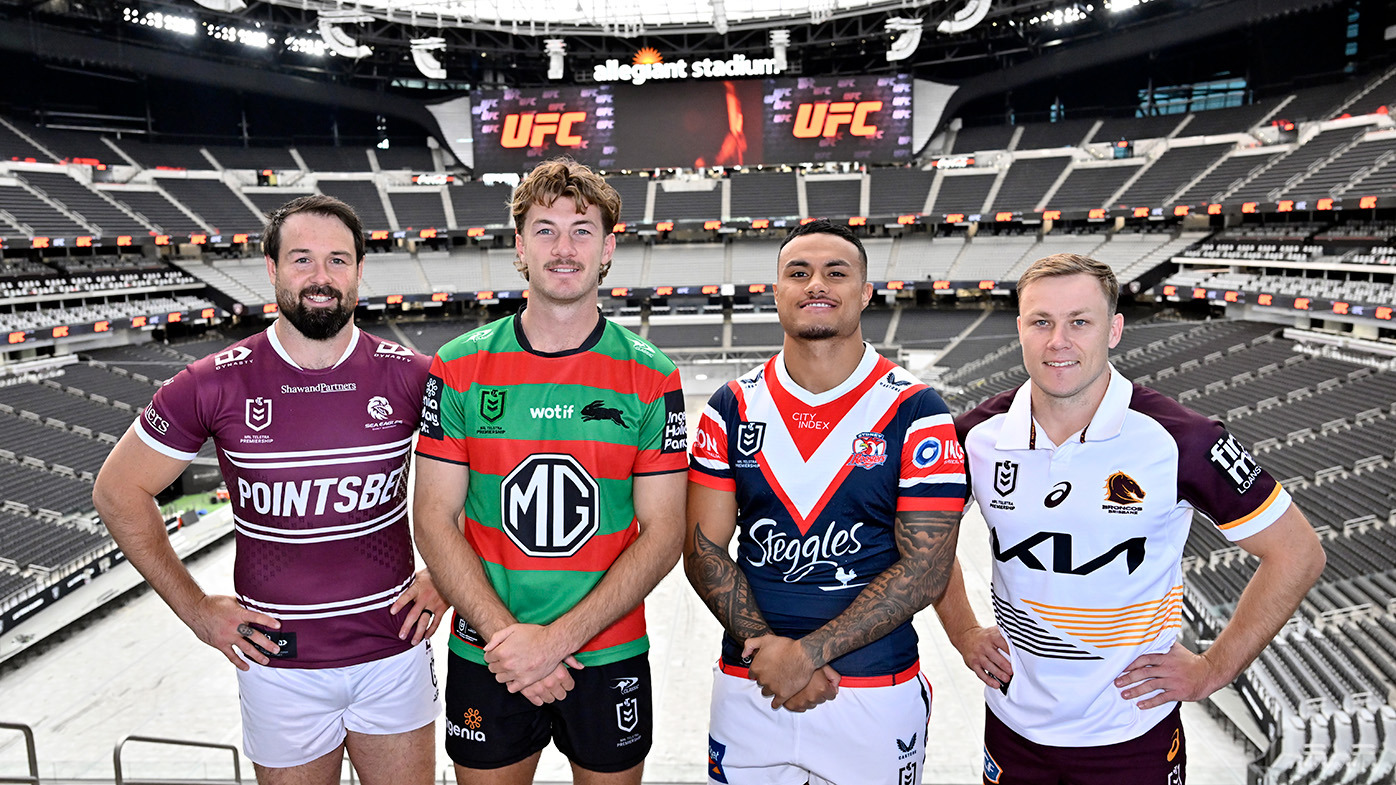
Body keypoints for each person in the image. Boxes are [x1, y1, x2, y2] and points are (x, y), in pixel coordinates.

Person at [92, 194, 445, 785]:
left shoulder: (414, 375)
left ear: (360, 271)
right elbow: (118, 490)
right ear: (272, 268)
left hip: (394, 653)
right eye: (302, 259)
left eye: (337, 260)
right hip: (278, 665)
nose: (320, 277)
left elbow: (491, 475)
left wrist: (445, 578)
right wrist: (197, 611)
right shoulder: (212, 382)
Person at [939, 253, 1327, 785]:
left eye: (1080, 322)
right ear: (1020, 329)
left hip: (1132, 732)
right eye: (1041, 322)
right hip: (1011, 724)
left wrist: (1214, 669)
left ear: (1114, 330)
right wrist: (962, 630)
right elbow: (923, 540)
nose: (1058, 341)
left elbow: (1297, 552)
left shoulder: (1182, 439)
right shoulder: (974, 436)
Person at [411, 158, 688, 785]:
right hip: (490, 651)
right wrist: (510, 641)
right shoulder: (458, 365)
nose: (564, 248)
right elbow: (432, 517)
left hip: (608, 653)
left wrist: (555, 642)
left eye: (582, 231)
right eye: (545, 230)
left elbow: (665, 531)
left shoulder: (653, 374)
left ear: (608, 248)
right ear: (520, 246)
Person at [685, 218, 966, 785]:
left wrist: (806, 656)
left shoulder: (917, 408)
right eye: (798, 273)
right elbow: (702, 549)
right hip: (752, 682)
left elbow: (927, 568)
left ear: (865, 293)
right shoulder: (731, 405)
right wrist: (770, 652)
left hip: (873, 691)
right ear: (777, 292)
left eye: (836, 273)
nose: (816, 284)